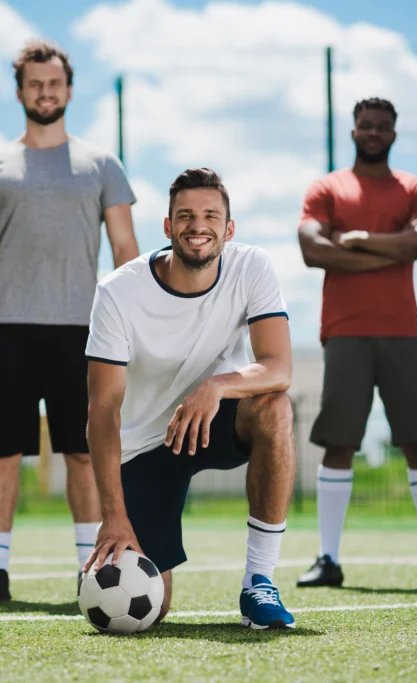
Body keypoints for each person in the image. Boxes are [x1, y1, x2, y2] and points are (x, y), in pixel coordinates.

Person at [0, 39, 139, 602]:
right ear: (20, 92)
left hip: (85, 331)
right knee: (3, 452)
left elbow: (125, 247)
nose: (45, 92)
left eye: (54, 83)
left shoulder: (102, 165)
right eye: (35, 84)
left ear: (69, 90)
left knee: (84, 451)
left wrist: (133, 322)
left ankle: (91, 568)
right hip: (8, 327)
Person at [84, 168, 297, 630]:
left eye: (210, 216)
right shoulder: (118, 292)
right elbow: (102, 410)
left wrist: (215, 387)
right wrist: (113, 514)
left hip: (213, 420)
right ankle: (119, 535)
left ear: (229, 228)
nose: (197, 226)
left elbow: (278, 367)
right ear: (167, 226)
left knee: (275, 405)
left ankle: (259, 580)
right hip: (145, 446)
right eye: (185, 216)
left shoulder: (251, 266)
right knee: (147, 610)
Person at [295, 97, 417, 589]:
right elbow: (312, 249)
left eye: (381, 126)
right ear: (353, 131)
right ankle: (328, 559)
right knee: (339, 443)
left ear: (394, 133)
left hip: (404, 331)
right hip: (343, 331)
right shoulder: (326, 188)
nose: (372, 132)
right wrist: (395, 249)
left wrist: (358, 239)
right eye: (365, 125)